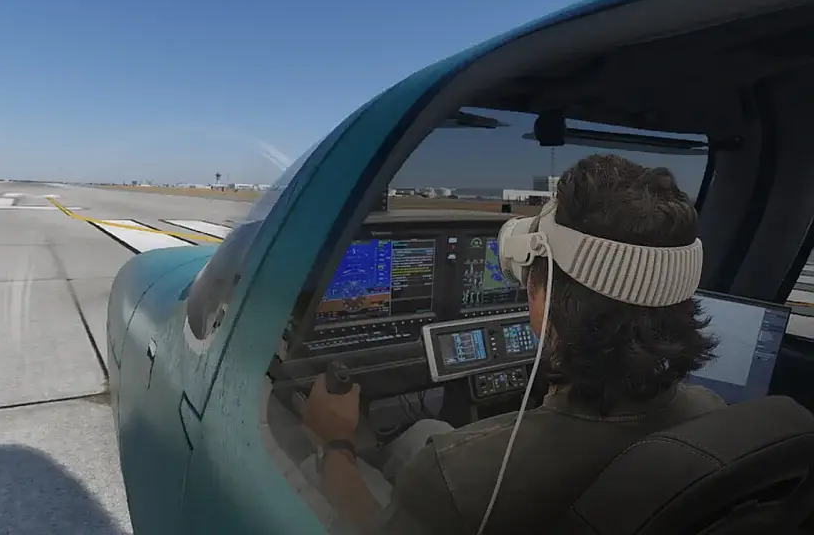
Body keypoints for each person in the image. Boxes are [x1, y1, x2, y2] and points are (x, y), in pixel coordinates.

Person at [302, 154, 725, 534]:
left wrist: (336, 443)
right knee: (427, 431)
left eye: (532, 273)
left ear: (548, 293)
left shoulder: (455, 475)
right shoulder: (711, 414)